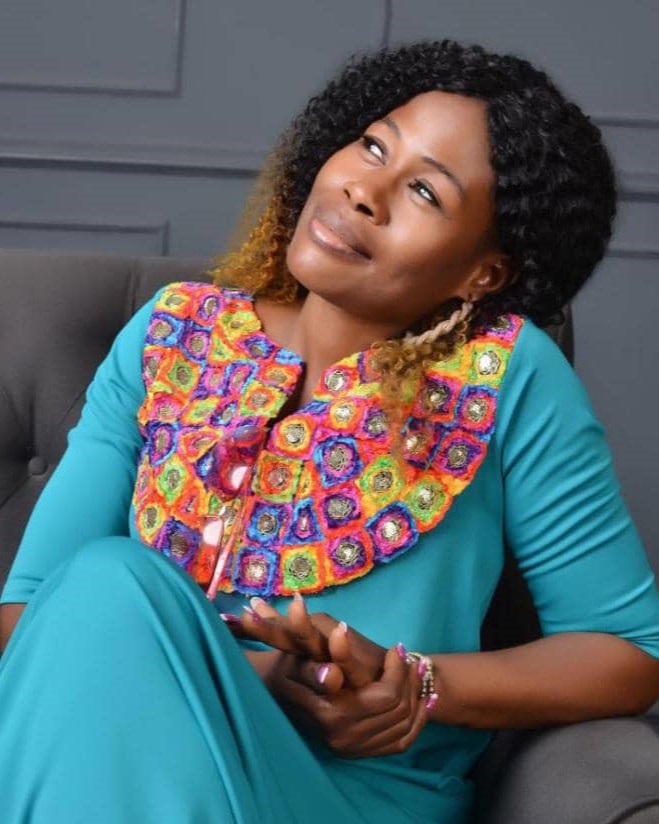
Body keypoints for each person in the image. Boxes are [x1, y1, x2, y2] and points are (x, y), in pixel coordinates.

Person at [1, 38, 659, 824]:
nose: (364, 191)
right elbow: (30, 615)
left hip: (339, 794)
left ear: (481, 272)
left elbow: (626, 652)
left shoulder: (507, 374)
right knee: (107, 582)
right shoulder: (168, 336)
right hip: (106, 750)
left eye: (425, 192)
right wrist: (253, 679)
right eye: (372, 146)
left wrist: (417, 685)